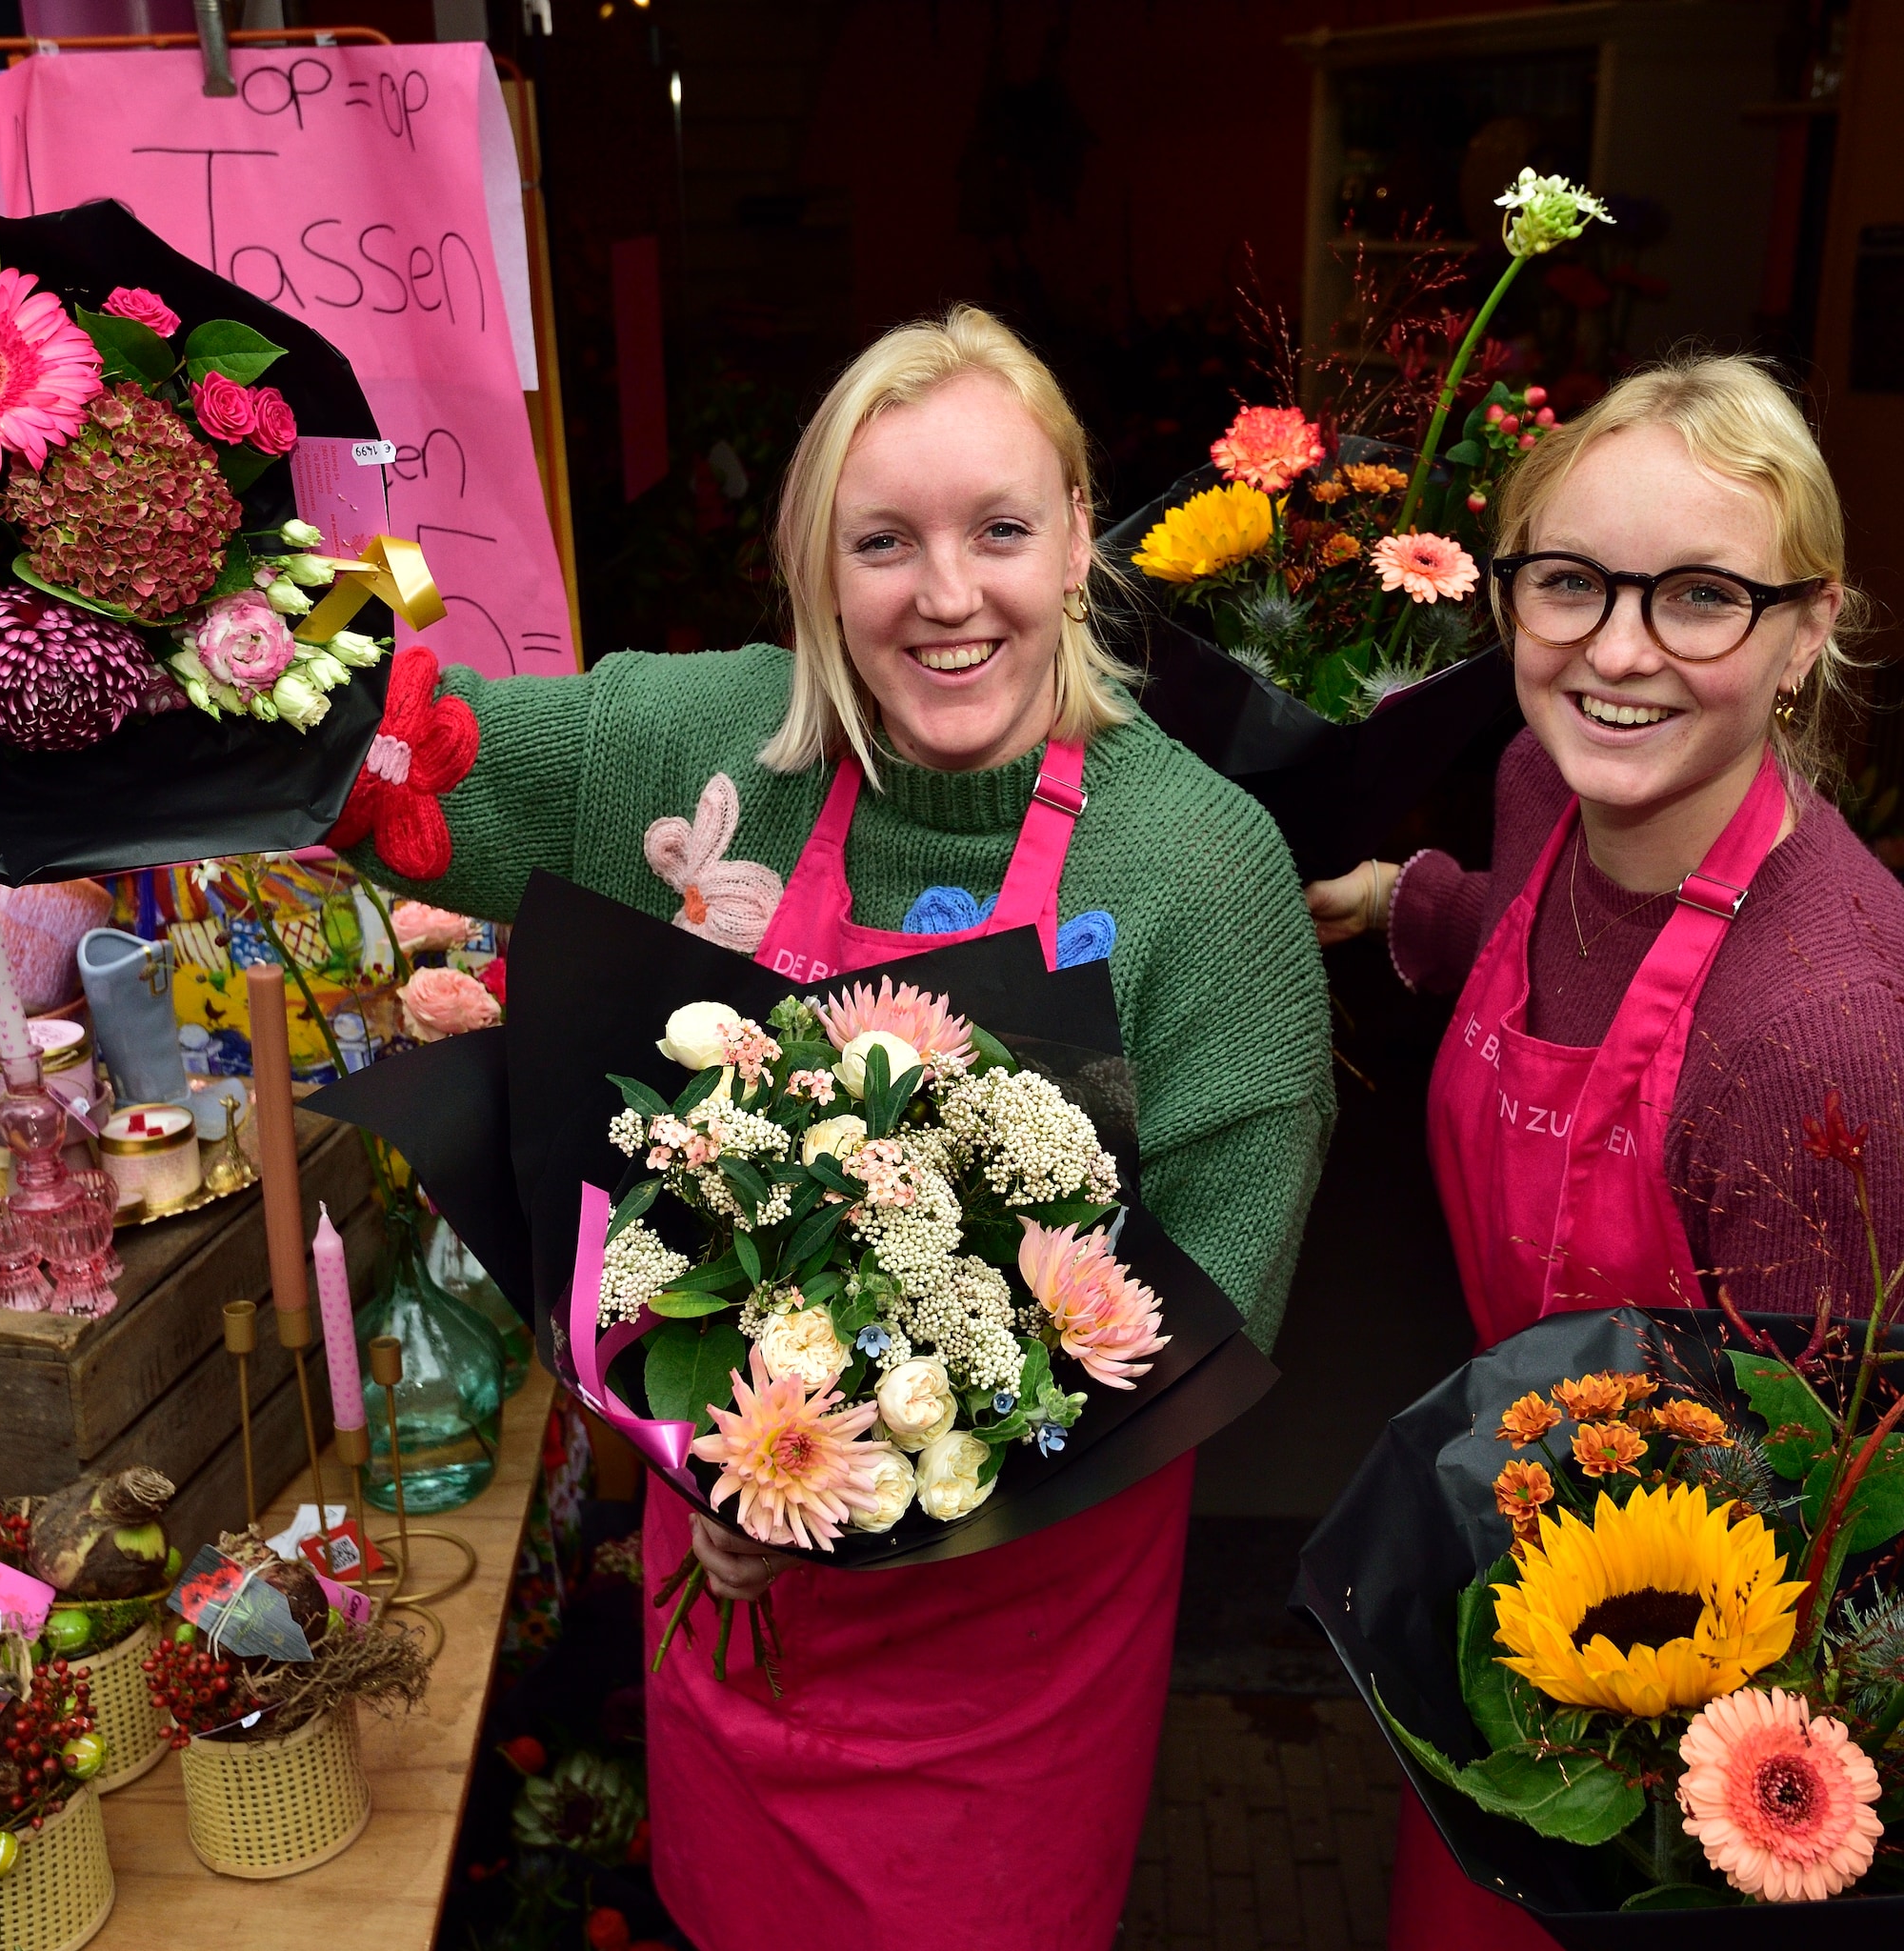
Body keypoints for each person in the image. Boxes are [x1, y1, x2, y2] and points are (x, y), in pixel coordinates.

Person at [340, 305, 1333, 1949]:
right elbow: (399, 766)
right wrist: (176, 650)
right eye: (884, 542)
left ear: (1082, 537)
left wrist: (846, 1518)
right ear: (816, 567)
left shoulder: (1199, 872)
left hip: (1010, 1680)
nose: (948, 595)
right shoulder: (699, 744)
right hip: (727, 1641)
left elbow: (1204, 1321)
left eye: (1001, 529)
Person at [1304, 352, 1904, 1950]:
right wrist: (1402, 904)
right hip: (1533, 1568)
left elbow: (1844, 1516)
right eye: (1570, 583)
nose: (1617, 651)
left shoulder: (1816, 1029)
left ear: (1807, 630)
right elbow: (1544, 934)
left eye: (1701, 594)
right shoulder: (1539, 784)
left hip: (1689, 1731)